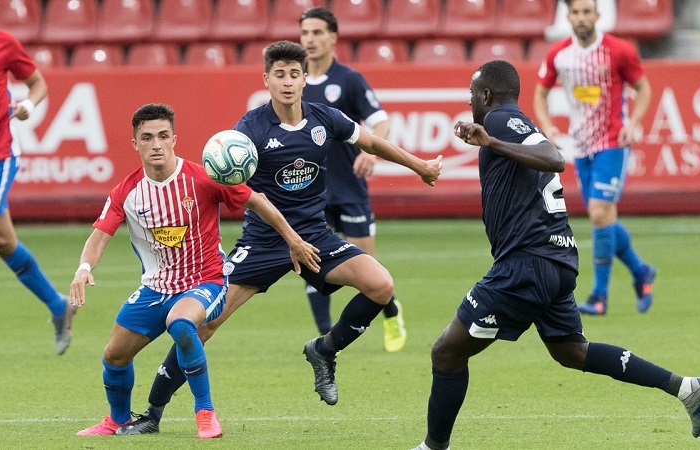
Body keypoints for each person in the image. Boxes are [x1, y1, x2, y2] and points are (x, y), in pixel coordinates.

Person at [114, 41, 442, 435]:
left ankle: (324, 350)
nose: (287, 82)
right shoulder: (249, 130)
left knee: (381, 285)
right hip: (262, 245)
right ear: (266, 79)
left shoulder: (325, 118)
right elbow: (235, 190)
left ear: (305, 78)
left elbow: (370, 142)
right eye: (279, 74)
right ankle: (153, 412)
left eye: (294, 74)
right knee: (202, 326)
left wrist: (420, 165)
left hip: (314, 236)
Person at [412, 60, 700, 450]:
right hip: (556, 259)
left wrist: (492, 142)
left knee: (447, 352)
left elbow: (555, 157)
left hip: (526, 262)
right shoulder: (509, 121)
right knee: (572, 352)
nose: (470, 101)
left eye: (472, 94)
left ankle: (433, 448)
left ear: (486, 96)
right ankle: (686, 389)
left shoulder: (502, 120)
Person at [71, 103, 321, 439]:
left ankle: (205, 412)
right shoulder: (126, 192)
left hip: (207, 281)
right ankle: (117, 419)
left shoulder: (204, 177)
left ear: (175, 138)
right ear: (135, 144)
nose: (156, 144)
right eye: (147, 138)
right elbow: (99, 236)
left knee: (182, 323)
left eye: (163, 136)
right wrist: (83, 268)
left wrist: (293, 240)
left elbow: (257, 201)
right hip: (156, 287)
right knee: (114, 356)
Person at [532, 0, 656, 316]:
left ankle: (599, 296)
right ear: (569, 16)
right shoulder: (559, 54)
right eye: (576, 12)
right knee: (604, 218)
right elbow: (540, 93)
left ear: (598, 16)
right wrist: (547, 127)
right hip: (580, 146)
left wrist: (633, 123)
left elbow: (643, 89)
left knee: (599, 214)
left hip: (613, 142)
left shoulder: (619, 51)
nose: (582, 17)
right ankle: (641, 272)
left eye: (588, 11)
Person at [300, 7, 407, 352]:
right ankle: (326, 337)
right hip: (309, 193)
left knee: (366, 270)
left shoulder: (348, 80)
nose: (310, 40)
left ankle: (391, 311)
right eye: (305, 33)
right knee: (311, 266)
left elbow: (381, 121)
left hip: (349, 190)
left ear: (333, 37)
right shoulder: (294, 82)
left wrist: (371, 152)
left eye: (317, 33)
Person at [0, 30, 75, 355]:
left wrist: (28, 104)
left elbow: (38, 84)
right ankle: (58, 305)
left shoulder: (5, 42)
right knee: (4, 242)